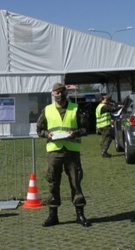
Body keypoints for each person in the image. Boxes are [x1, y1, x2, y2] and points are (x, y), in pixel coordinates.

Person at [36, 82, 91, 227]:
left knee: (76, 183)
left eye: (61, 92)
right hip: (54, 152)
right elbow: (39, 130)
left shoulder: (75, 109)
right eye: (56, 93)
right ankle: (53, 216)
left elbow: (85, 128)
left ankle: (80, 215)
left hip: (72, 151)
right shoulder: (47, 110)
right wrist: (48, 134)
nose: (59, 95)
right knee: (53, 183)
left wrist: (75, 133)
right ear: (53, 94)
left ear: (65, 93)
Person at [95, 94, 122, 158]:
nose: (108, 101)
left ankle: (103, 151)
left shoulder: (99, 106)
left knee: (104, 138)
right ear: (103, 100)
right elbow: (113, 109)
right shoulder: (104, 107)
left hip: (100, 125)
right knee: (108, 138)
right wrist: (120, 107)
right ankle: (104, 152)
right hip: (105, 125)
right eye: (107, 99)